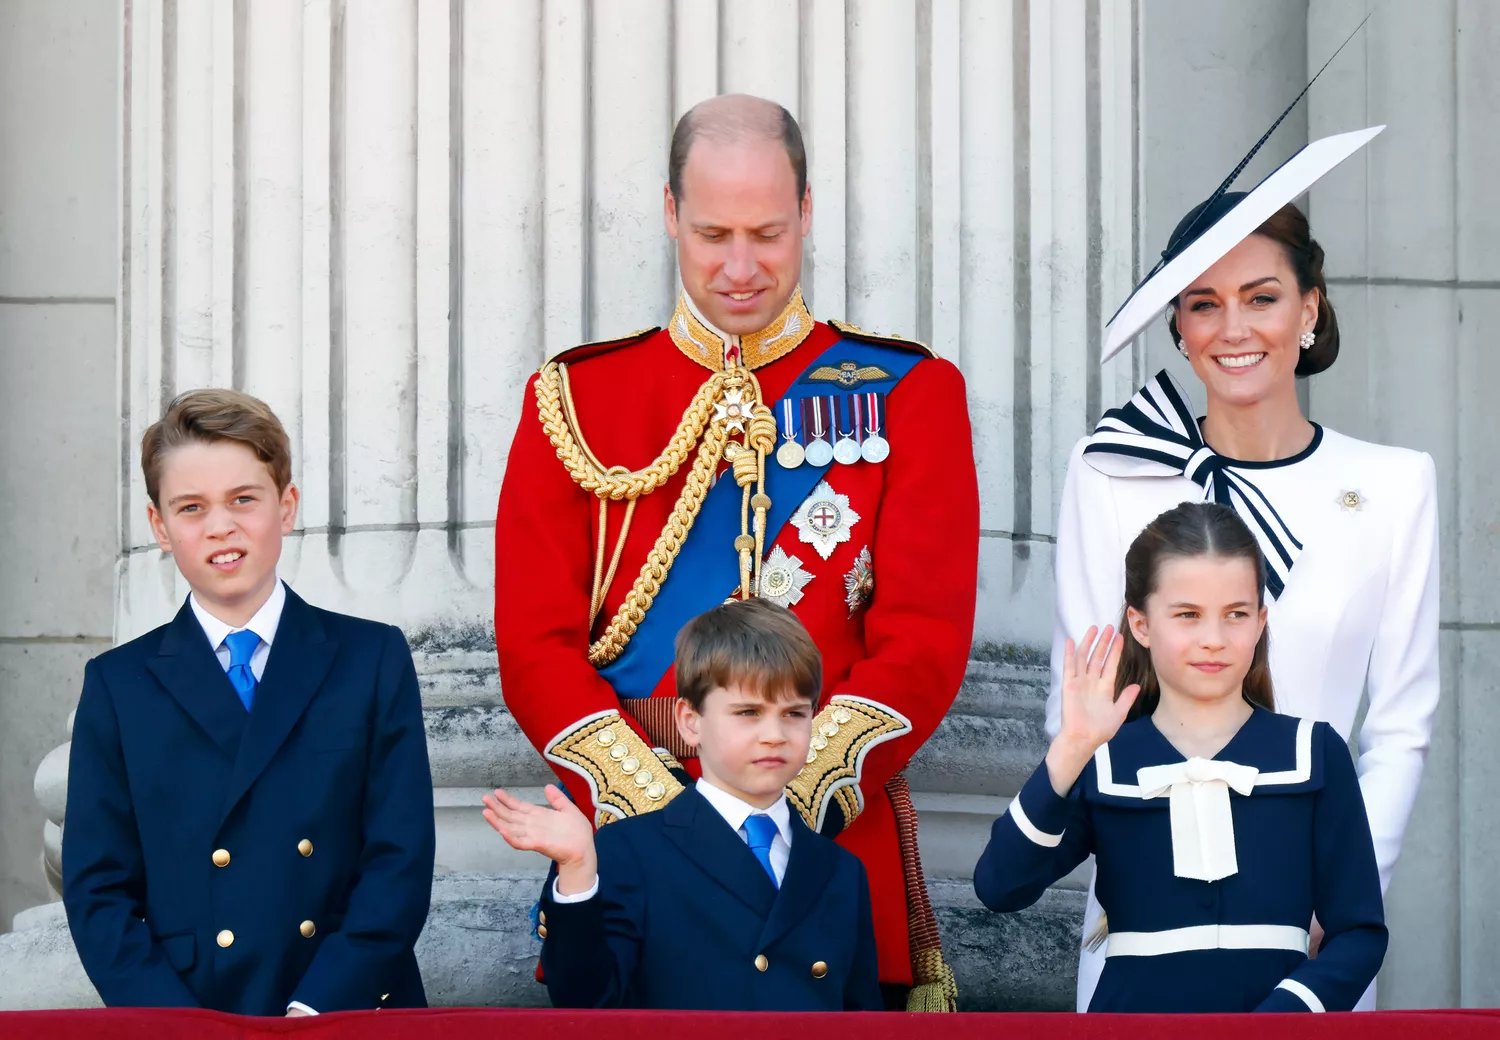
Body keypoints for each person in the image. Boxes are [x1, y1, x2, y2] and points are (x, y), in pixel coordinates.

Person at [493, 93, 977, 1006]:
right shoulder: (575, 399)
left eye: (769, 232)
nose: (743, 267)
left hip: (828, 848)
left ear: (807, 212)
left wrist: (783, 795)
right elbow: (533, 645)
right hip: (634, 848)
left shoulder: (910, 392)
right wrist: (668, 820)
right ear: (671, 213)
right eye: (714, 233)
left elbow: (923, 643)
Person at [1053, 126, 1437, 1010]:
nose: (1233, 329)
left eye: (1262, 297)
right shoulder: (1111, 473)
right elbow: (1080, 708)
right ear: (1177, 327)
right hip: (1143, 923)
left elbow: (1400, 730)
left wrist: (1333, 900)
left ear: (1309, 309)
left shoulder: (1392, 486)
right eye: (1202, 303)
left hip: (1310, 934)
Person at [62, 389, 435, 1016]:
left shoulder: (370, 659)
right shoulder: (118, 685)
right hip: (192, 1014)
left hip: (345, 1007)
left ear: (285, 507)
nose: (220, 526)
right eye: (191, 507)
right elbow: (99, 892)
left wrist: (318, 1006)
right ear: (159, 527)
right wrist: (179, 1027)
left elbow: (399, 858)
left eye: (243, 499)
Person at [982, 502, 1387, 1012]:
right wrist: (1070, 750)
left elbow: (1360, 932)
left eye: (1236, 615)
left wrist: (1284, 1019)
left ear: (1261, 622)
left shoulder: (1313, 752)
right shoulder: (1102, 760)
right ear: (1141, 624)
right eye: (1188, 615)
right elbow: (1000, 886)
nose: (1214, 640)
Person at [483, 598, 881, 1010]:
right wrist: (578, 870)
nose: (775, 734)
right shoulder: (629, 850)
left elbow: (861, 1018)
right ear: (691, 722)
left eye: (795, 714)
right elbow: (588, 1002)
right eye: (748, 712)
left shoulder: (840, 870)